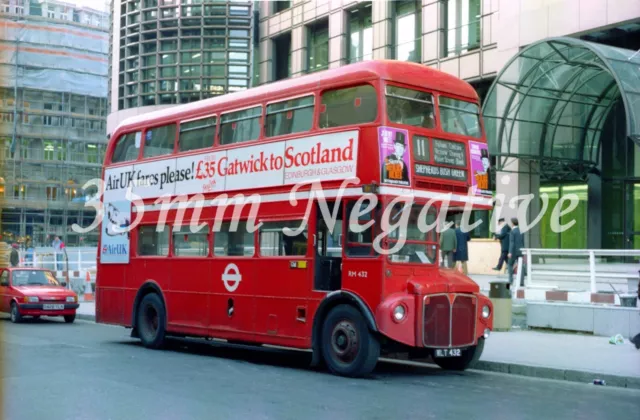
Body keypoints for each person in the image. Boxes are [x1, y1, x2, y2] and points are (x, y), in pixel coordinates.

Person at [507, 218, 525, 285]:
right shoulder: (521, 231)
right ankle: (521, 282)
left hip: (513, 251)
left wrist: (510, 252)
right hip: (520, 250)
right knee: (521, 266)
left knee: (509, 264)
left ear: (512, 223)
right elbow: (522, 242)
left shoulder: (512, 231)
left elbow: (512, 243)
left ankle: (510, 280)